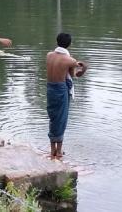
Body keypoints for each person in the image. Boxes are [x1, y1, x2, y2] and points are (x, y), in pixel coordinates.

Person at [46, 32, 87, 160]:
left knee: (53, 117)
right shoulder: (69, 60)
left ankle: (52, 150)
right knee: (61, 119)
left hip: (50, 88)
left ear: (57, 41)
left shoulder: (49, 55)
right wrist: (84, 68)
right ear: (69, 44)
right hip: (60, 89)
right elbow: (76, 74)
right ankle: (58, 152)